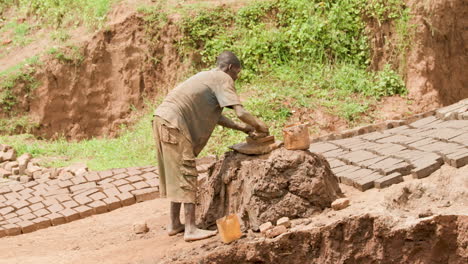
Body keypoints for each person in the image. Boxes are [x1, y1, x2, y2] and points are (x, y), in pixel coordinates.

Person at [153, 51, 268, 241]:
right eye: (237, 74)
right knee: (187, 171)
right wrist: (259, 125)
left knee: (177, 172)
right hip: (173, 122)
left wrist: (243, 128)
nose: (236, 78)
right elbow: (240, 112)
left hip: (162, 119)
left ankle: (174, 223)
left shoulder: (206, 77)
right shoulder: (222, 78)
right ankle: (190, 229)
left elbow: (216, 116)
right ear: (230, 68)